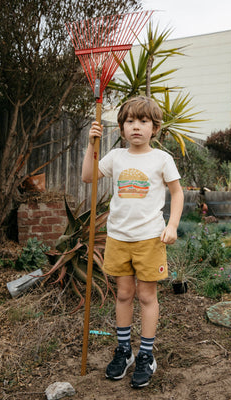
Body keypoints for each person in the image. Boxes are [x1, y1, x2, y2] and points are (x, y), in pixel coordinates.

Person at [82, 96, 184, 388]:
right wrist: (91, 144)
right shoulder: (115, 157)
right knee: (124, 294)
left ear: (155, 128)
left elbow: (177, 193)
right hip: (118, 238)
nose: (136, 127)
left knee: (146, 296)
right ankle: (125, 351)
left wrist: (173, 225)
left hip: (149, 239)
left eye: (143, 121)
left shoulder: (162, 159)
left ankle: (146, 355)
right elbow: (87, 177)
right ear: (122, 127)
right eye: (130, 121)